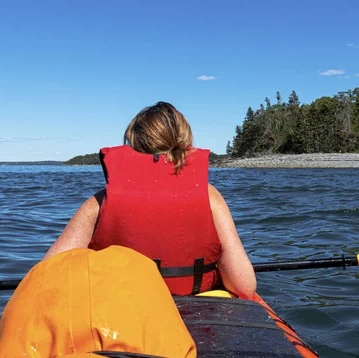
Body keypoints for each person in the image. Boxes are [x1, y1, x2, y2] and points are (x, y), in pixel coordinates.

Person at [43, 101, 256, 299]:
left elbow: (47, 276)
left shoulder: (101, 202)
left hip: (123, 314)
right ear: (185, 142)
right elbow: (243, 286)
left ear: (132, 145)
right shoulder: (209, 197)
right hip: (196, 312)